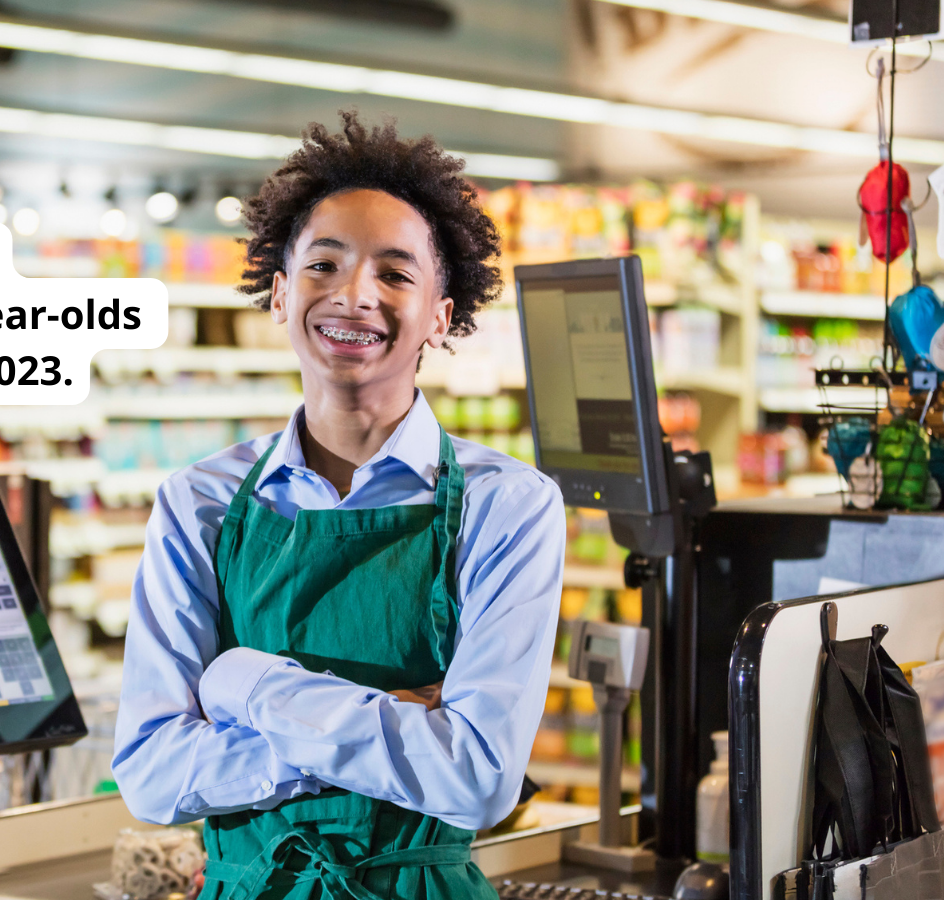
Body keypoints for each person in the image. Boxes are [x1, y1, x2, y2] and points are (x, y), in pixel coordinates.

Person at [112, 111, 566, 900]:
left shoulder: (508, 508)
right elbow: (151, 774)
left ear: (440, 316)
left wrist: (246, 687)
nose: (354, 296)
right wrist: (393, 725)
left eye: (395, 274)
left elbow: (478, 778)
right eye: (324, 265)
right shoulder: (200, 504)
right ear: (281, 293)